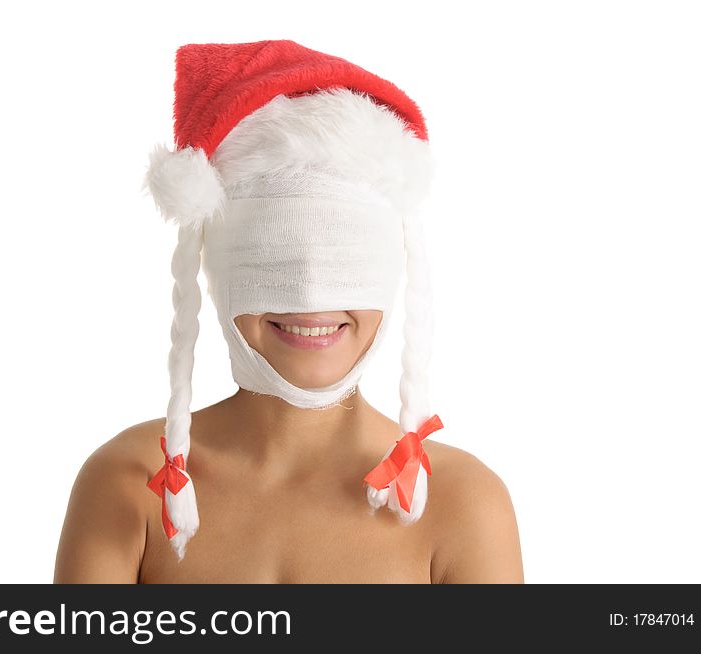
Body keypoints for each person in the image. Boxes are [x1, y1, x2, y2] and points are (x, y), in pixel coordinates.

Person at [54, 39, 523, 583]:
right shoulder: (129, 486)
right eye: (273, 250)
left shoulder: (463, 506)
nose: (310, 289)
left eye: (343, 250)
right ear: (214, 260)